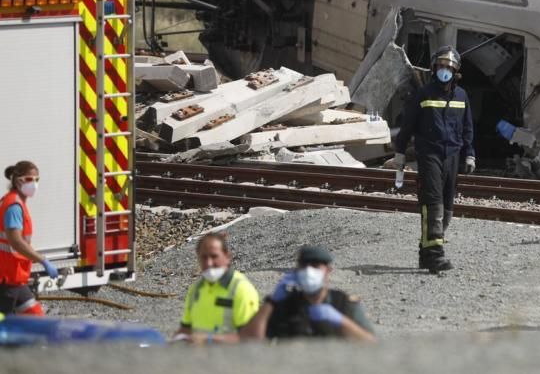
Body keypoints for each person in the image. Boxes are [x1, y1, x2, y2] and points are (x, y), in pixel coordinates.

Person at [394, 45, 475, 273]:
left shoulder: (462, 96)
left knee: (447, 210)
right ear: (433, 68)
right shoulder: (424, 94)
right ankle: (435, 256)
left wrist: (470, 154)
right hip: (429, 154)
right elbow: (408, 124)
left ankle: (425, 252)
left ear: (456, 70)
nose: (444, 70)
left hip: (452, 156)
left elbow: (467, 128)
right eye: (441, 66)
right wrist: (400, 151)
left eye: (449, 67)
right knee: (433, 203)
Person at [246, 245, 375, 342]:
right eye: (304, 266)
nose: (309, 271)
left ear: (328, 271)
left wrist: (341, 321)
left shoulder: (343, 304)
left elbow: (372, 345)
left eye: (315, 266)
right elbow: (249, 341)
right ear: (297, 269)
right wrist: (272, 302)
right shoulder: (286, 305)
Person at [174, 232, 260, 344]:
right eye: (204, 257)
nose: (209, 263)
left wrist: (209, 340)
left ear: (227, 257)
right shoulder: (195, 290)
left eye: (214, 256)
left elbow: (250, 338)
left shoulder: (241, 290)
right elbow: (185, 329)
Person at [1, 161, 59, 317]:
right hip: (7, 280)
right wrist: (43, 260)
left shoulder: (17, 202)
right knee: (6, 325)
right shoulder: (13, 206)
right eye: (29, 179)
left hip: (16, 279)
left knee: (36, 319)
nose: (34, 184)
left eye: (36, 180)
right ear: (18, 181)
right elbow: (17, 242)